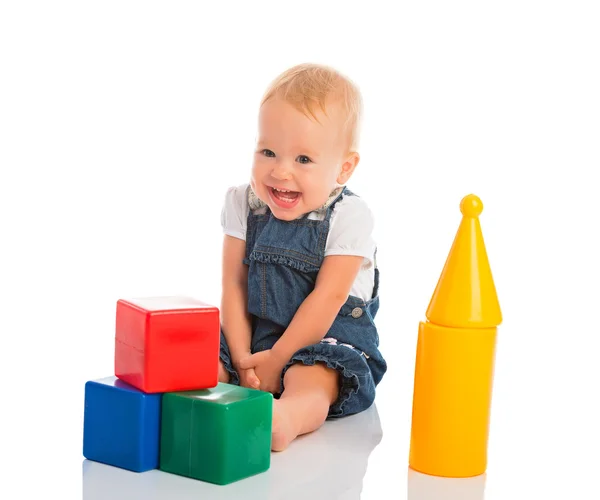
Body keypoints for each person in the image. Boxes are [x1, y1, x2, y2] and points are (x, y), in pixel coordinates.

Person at [218, 62, 387, 451]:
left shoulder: (348, 216)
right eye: (268, 152)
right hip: (252, 330)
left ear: (344, 168)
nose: (280, 172)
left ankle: (288, 417)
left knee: (315, 375)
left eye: (304, 160)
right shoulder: (243, 203)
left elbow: (326, 298)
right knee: (206, 354)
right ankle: (200, 397)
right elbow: (234, 283)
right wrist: (243, 357)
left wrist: (278, 360)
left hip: (326, 333)